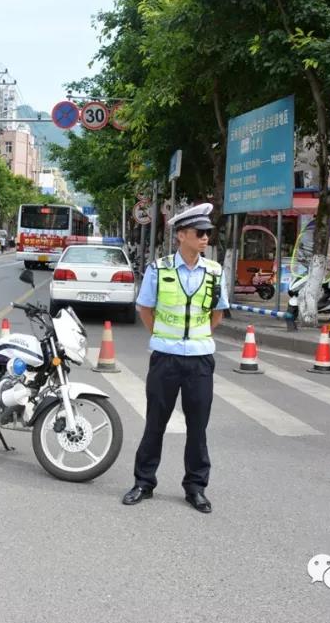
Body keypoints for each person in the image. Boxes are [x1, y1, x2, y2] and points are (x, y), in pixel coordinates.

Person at [122, 202, 229, 513]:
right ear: (182, 235)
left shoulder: (215, 271)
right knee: (155, 423)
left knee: (198, 428)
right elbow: (145, 308)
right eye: (200, 233)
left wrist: (196, 337)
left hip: (199, 360)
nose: (206, 238)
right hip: (165, 359)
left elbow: (218, 314)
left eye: (208, 233)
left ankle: (196, 487)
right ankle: (144, 482)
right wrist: (164, 337)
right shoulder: (160, 269)